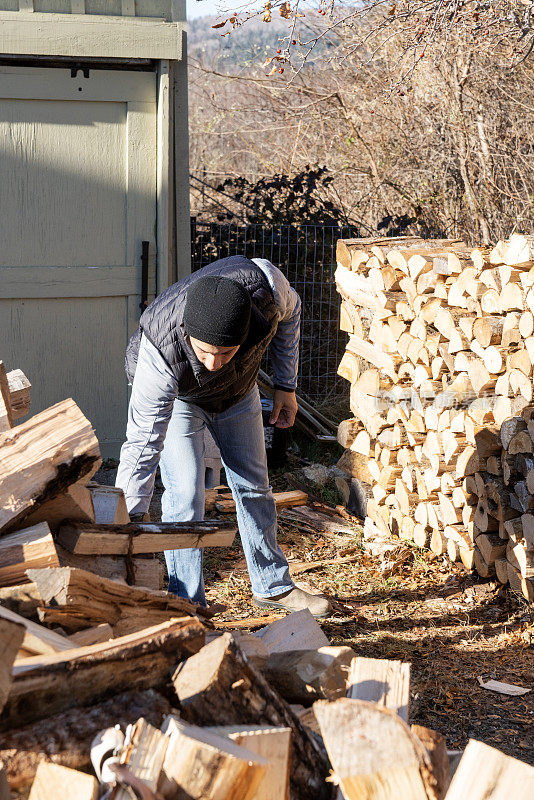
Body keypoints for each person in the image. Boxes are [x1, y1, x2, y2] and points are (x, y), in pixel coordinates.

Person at [116, 254, 332, 618]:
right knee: (185, 493)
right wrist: (126, 523)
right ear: (187, 333)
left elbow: (293, 314)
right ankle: (186, 603)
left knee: (254, 485)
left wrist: (286, 386)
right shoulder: (159, 353)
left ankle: (273, 588)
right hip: (183, 398)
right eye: (205, 353)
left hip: (238, 392)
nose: (214, 363)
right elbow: (142, 444)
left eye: (226, 352)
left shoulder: (270, 290)